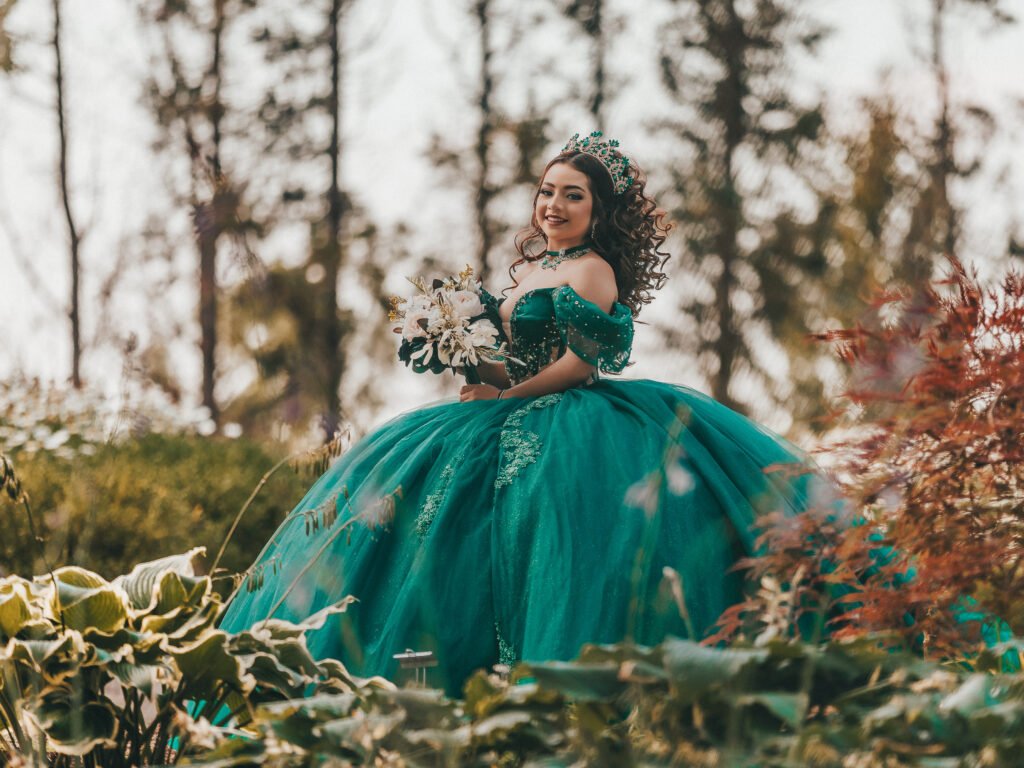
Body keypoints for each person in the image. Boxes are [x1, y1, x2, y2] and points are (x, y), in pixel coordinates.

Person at [219, 132, 815, 695]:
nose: (554, 204)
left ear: (597, 211)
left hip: (575, 425)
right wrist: (462, 351)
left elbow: (580, 363)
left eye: (572, 195)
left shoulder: (593, 270)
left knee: (553, 536)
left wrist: (505, 398)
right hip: (506, 409)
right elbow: (519, 364)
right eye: (547, 191)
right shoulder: (531, 270)